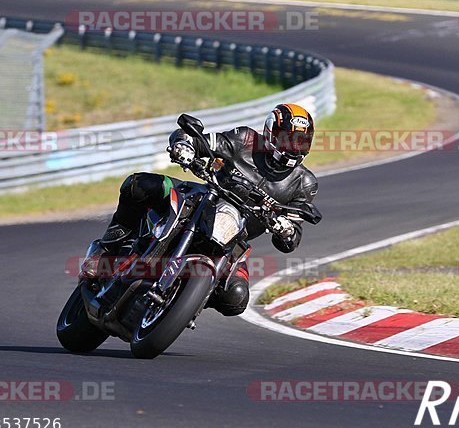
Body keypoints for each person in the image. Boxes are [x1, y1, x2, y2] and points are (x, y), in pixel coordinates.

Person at [98, 104, 319, 316]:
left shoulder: (305, 182)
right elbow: (199, 140)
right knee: (139, 185)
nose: (293, 146)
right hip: (202, 200)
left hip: (234, 240)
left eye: (300, 141)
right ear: (270, 133)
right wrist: (184, 146)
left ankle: (186, 300)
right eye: (287, 139)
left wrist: (287, 230)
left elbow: (292, 239)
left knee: (236, 299)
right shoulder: (245, 139)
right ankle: (112, 245)